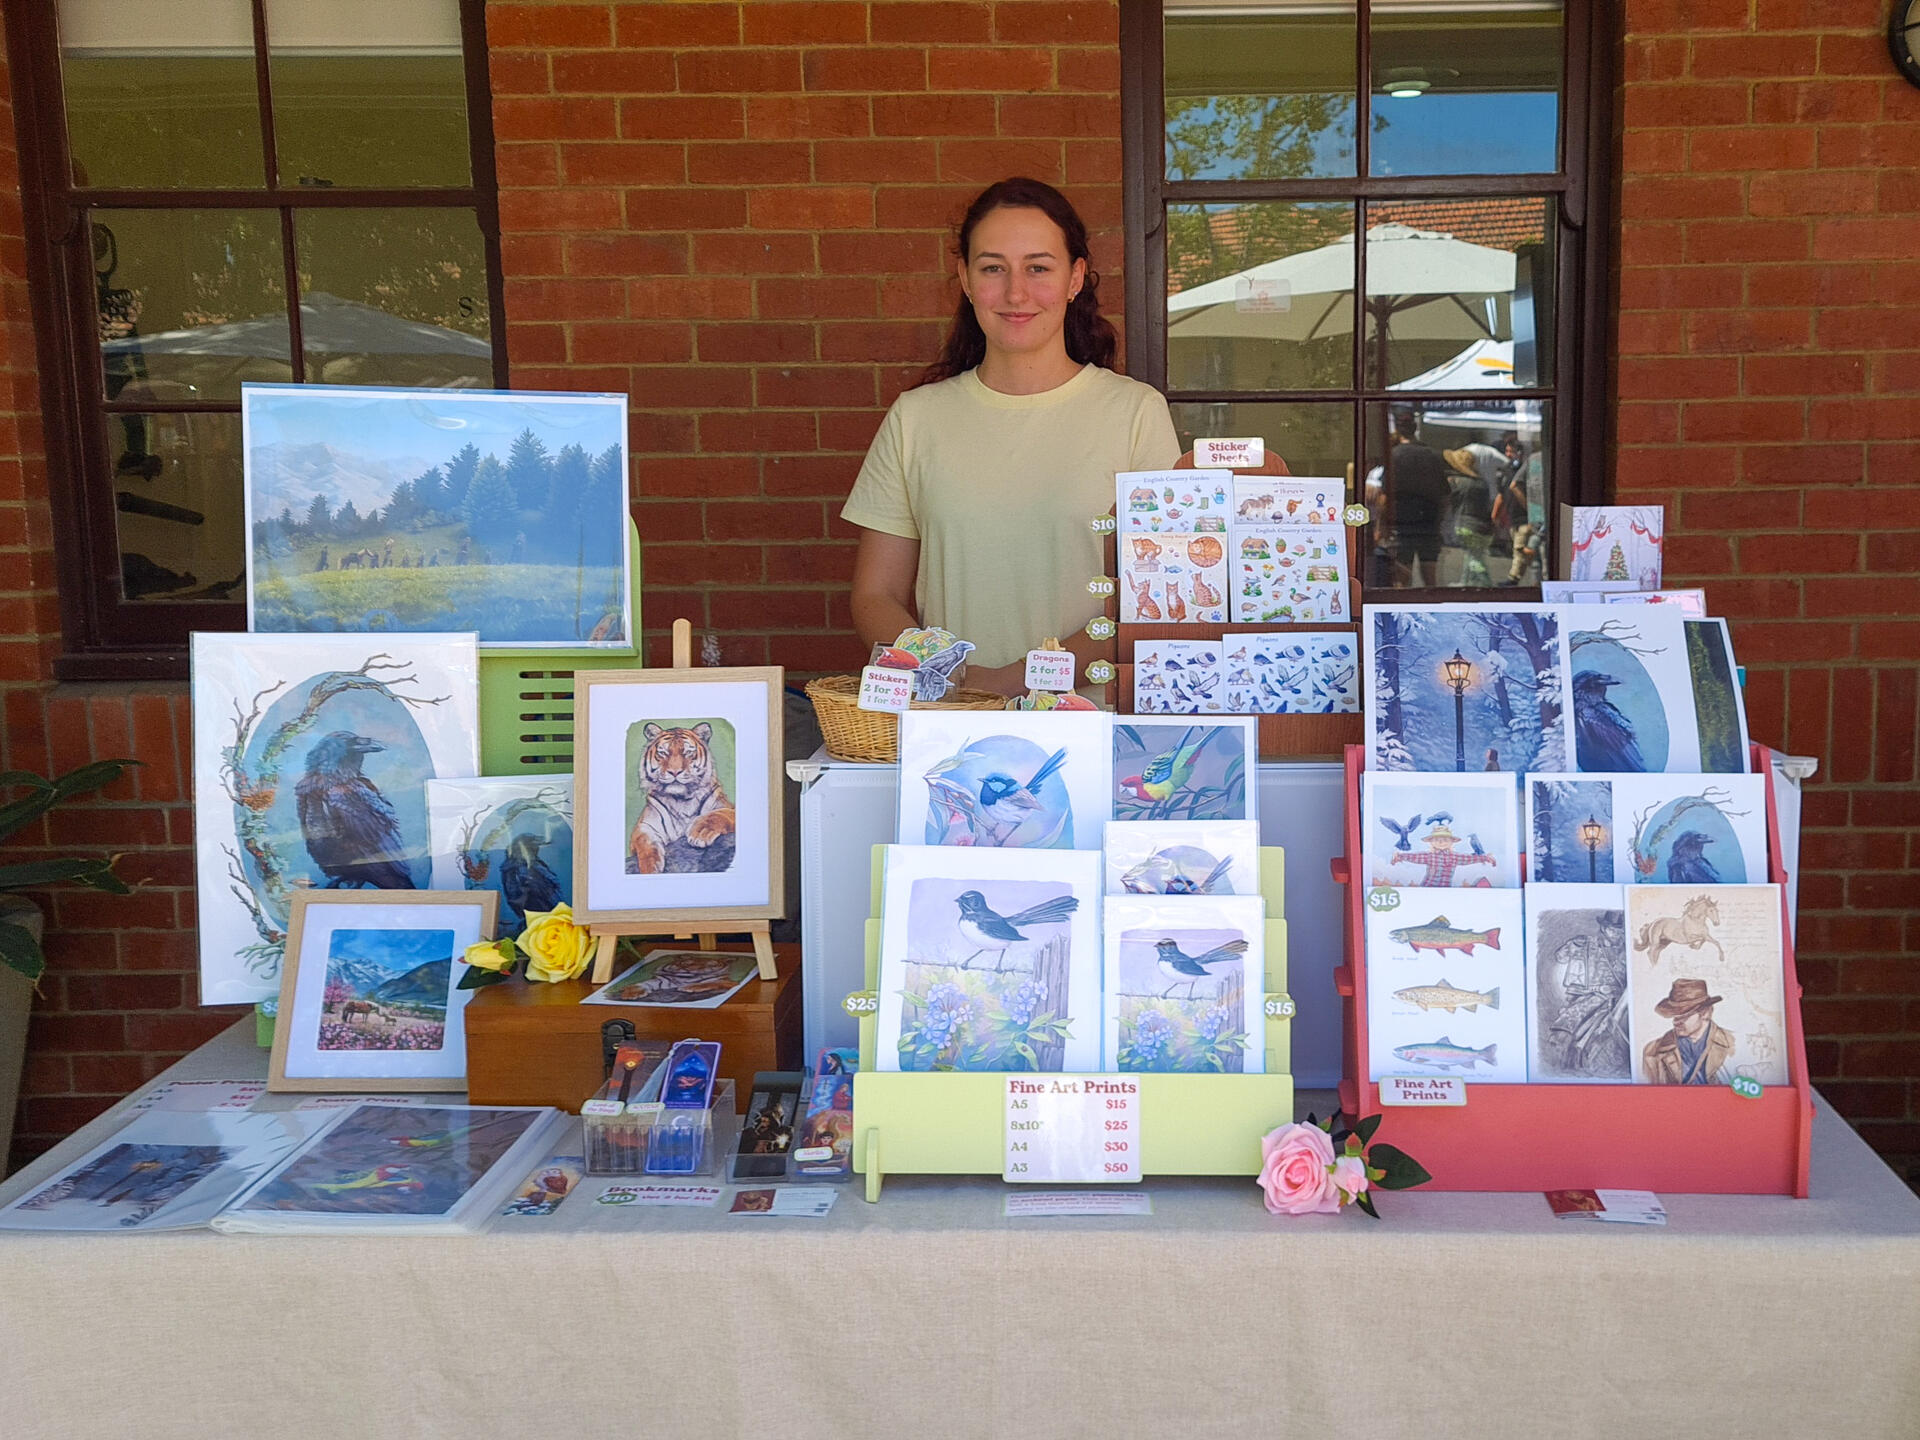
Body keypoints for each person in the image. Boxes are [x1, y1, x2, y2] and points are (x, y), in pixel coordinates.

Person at [843, 178, 1180, 695]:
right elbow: (876, 594)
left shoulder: (1135, 412)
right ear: (965, 278)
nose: (1015, 292)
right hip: (951, 726)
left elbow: (1153, 600)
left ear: (1075, 278)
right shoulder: (917, 417)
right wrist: (950, 678)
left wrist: (1014, 682)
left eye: (1038, 268)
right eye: (993, 267)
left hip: (1093, 732)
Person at [1377, 410, 1449, 588]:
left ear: (1398, 431)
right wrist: (1439, 521)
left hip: (1401, 525)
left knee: (1401, 579)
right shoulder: (1432, 455)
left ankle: (1402, 612)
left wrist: (1380, 526)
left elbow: (1384, 497)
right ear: (1415, 429)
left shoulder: (1393, 456)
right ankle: (1432, 610)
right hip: (1429, 525)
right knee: (1430, 579)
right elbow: (1444, 495)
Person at [1641, 978, 1735, 1085]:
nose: (1676, 1022)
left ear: (1705, 1013)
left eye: (1684, 1015)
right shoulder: (1652, 1052)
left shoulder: (1732, 1045)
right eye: (1674, 1016)